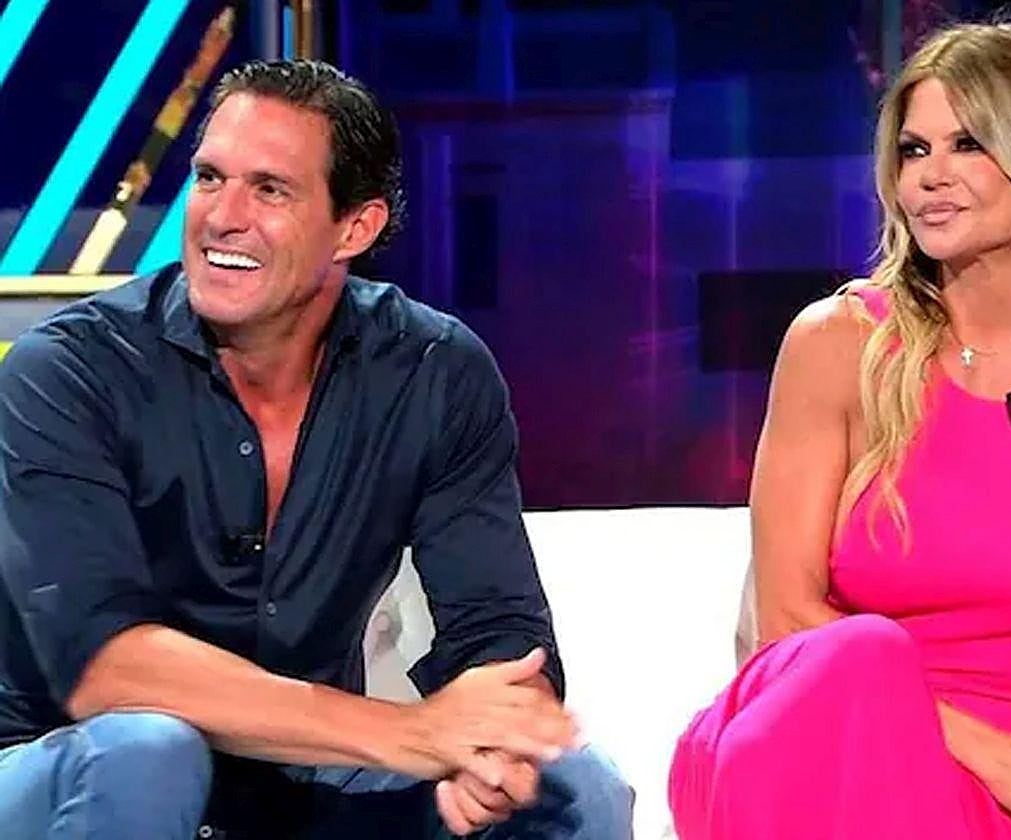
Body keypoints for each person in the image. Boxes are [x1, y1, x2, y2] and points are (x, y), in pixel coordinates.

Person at [0, 59, 632, 839]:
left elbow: (498, 634)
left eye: (269, 190)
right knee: (150, 752)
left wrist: (495, 752)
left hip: (303, 778)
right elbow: (108, 669)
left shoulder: (432, 373)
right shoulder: (69, 372)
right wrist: (410, 732)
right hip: (68, 770)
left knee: (578, 791)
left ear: (354, 228)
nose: (221, 217)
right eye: (209, 178)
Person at [669, 22, 1011, 840]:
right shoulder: (837, 344)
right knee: (864, 654)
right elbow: (786, 620)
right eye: (914, 150)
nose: (929, 176)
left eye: (968, 145)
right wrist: (989, 751)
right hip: (820, 747)